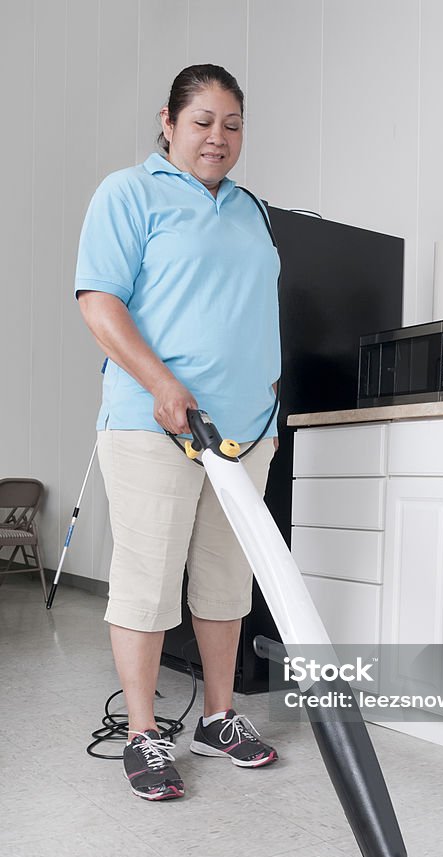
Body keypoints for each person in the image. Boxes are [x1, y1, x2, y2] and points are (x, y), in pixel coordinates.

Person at [75, 64, 281, 800]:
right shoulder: (128, 193)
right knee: (148, 581)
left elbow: (250, 308)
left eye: (231, 124)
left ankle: (218, 718)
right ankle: (142, 732)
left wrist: (267, 390)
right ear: (168, 121)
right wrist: (163, 385)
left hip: (246, 432)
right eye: (202, 122)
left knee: (227, 582)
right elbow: (100, 302)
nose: (217, 137)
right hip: (153, 424)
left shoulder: (251, 209)